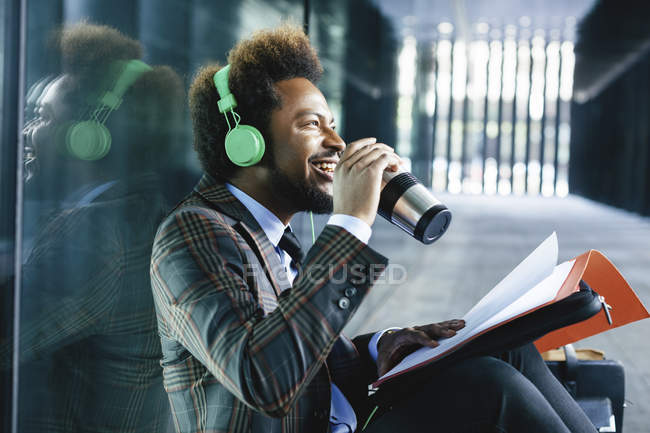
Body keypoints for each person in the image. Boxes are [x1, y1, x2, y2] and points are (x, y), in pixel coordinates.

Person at [150, 24, 597, 433]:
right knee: (487, 384)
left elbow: (303, 340)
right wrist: (350, 222)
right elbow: (264, 379)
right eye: (311, 124)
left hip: (345, 417)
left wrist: (381, 345)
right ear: (244, 142)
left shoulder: (274, 236)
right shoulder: (193, 234)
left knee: (506, 349)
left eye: (333, 124)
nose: (337, 143)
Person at [0, 23, 183, 432]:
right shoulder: (139, 215)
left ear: (90, 135)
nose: (27, 133)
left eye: (43, 117)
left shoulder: (99, 237)